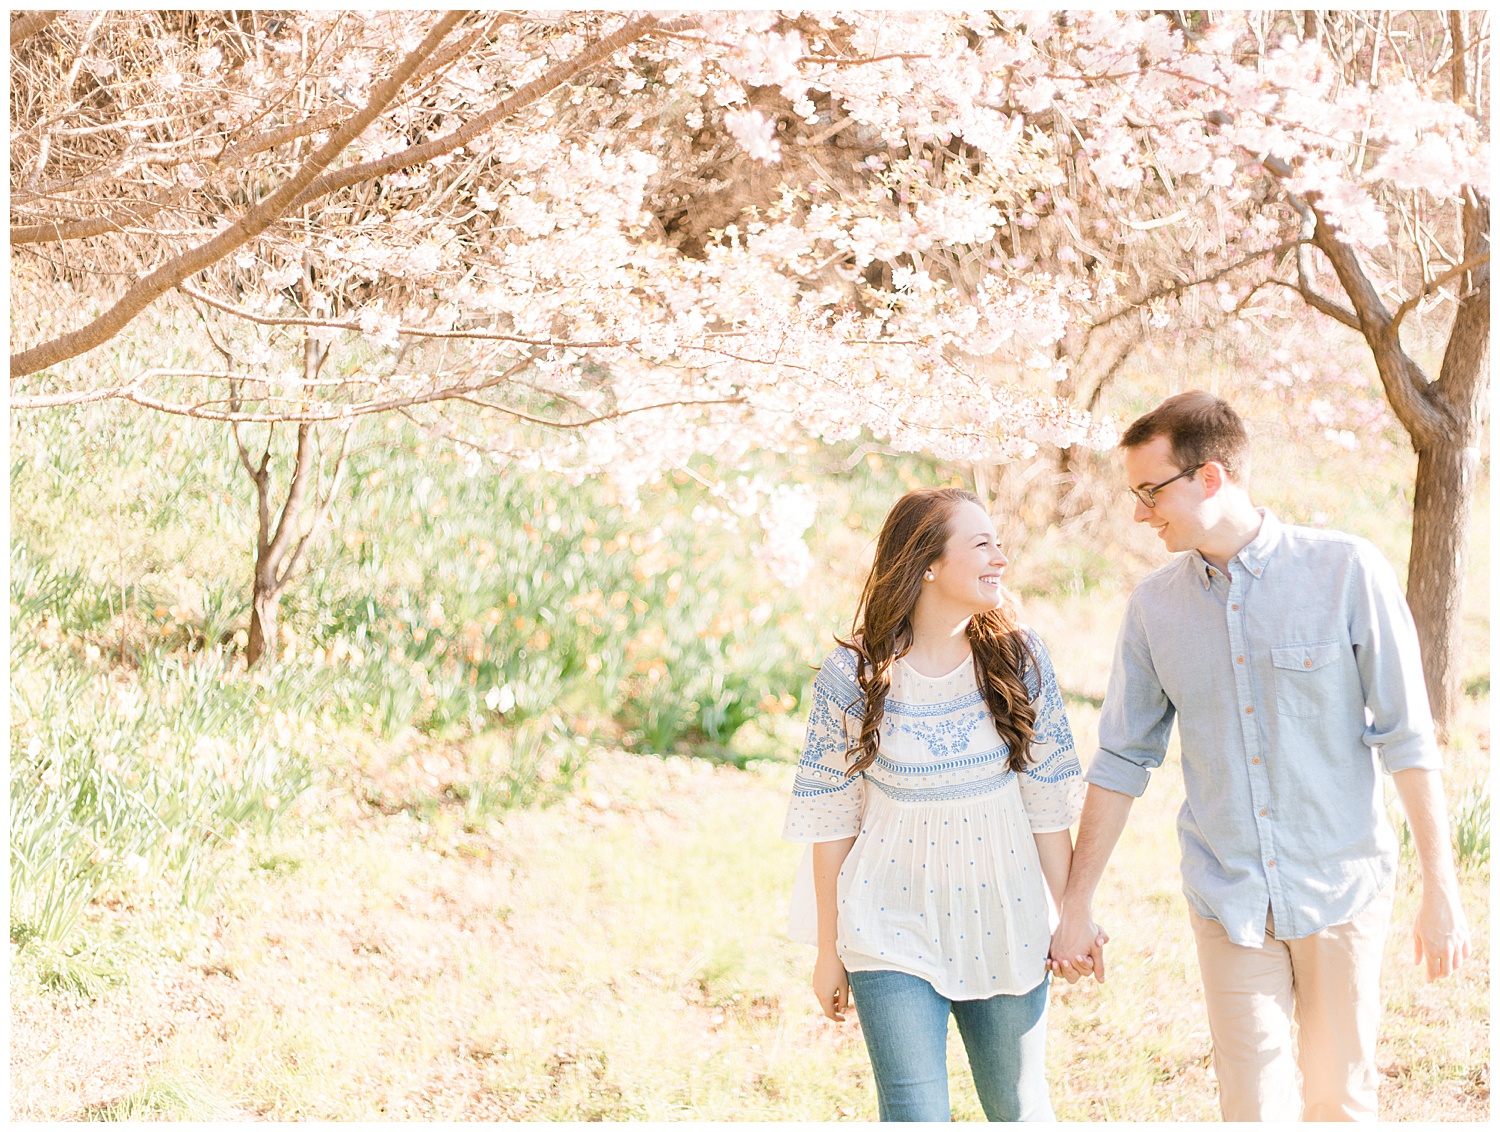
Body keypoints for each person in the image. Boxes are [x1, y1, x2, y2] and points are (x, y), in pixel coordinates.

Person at [1048, 391, 1471, 1121]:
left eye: (1151, 493)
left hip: (1340, 888)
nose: (1141, 515)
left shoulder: (1346, 571)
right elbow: (1120, 761)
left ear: (1210, 478)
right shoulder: (1154, 608)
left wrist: (1443, 887)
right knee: (1251, 1112)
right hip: (1229, 896)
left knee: (1339, 1102)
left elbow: (1407, 737)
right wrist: (1074, 904)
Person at [782, 486, 1089, 1122]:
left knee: (1018, 1109)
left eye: (998, 542)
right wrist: (827, 948)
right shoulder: (855, 673)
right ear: (927, 562)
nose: (1000, 557)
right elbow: (832, 819)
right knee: (913, 1111)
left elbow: (1047, 806)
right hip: (889, 924)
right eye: (982, 544)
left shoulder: (1020, 660)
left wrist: (1071, 917)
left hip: (1003, 918)